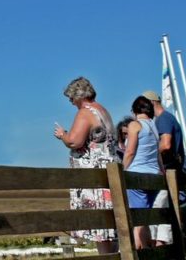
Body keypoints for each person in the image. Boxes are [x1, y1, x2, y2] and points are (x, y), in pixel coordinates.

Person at [53, 77, 117, 254]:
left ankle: (106, 257)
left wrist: (62, 134)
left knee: (100, 228)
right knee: (110, 225)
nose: (71, 103)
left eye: (71, 98)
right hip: (109, 171)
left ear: (78, 95)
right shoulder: (102, 110)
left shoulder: (85, 112)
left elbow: (75, 141)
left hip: (94, 175)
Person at [141, 90, 186, 246]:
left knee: (159, 210)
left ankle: (160, 246)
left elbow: (165, 144)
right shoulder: (168, 118)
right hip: (172, 171)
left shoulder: (163, 119)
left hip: (167, 171)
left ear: (151, 103)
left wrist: (147, 152)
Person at [123, 95, 161, 249]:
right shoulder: (154, 126)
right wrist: (162, 173)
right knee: (145, 219)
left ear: (134, 110)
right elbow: (158, 154)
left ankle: (138, 253)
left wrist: (122, 170)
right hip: (154, 175)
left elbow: (130, 151)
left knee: (137, 221)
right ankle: (147, 251)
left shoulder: (135, 125)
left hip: (137, 175)